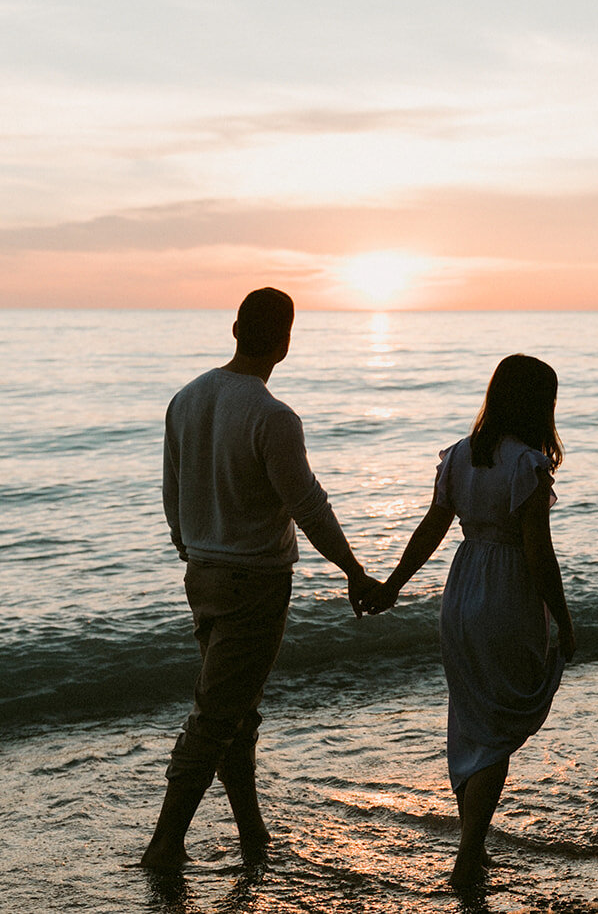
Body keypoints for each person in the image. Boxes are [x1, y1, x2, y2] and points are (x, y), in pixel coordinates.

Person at [141, 287, 380, 870]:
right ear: (284, 342)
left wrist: (192, 549)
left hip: (202, 572)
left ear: (234, 329)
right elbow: (310, 507)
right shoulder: (273, 417)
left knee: (235, 712)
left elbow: (172, 495)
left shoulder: (186, 398)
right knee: (217, 715)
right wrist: (355, 572)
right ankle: (165, 843)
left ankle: (253, 833)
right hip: (254, 581)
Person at [365, 353, 575, 887]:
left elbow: (432, 528)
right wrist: (565, 622)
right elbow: (539, 554)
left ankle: (471, 849)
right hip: (507, 593)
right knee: (498, 727)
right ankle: (467, 855)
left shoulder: (460, 456)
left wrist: (393, 586)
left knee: (470, 720)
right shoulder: (528, 464)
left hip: (461, 593)